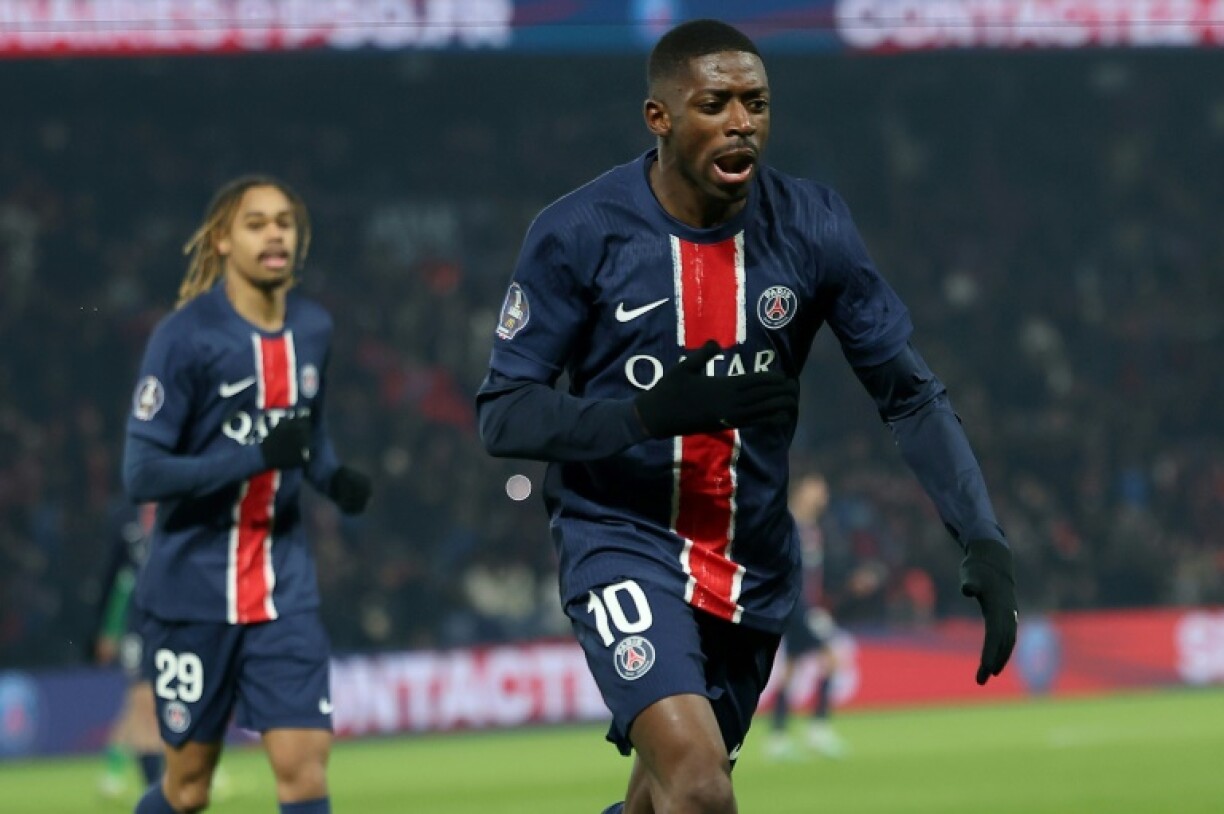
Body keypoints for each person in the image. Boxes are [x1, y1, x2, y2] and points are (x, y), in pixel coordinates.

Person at [476, 18, 1018, 814]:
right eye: (716, 103)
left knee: (660, 804)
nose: (741, 121)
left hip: (753, 567)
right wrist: (646, 414)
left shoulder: (812, 226)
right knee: (700, 788)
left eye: (756, 103)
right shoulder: (578, 232)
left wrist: (981, 536)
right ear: (659, 118)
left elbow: (908, 392)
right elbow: (504, 415)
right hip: (622, 539)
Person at [122, 175, 372, 814]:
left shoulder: (313, 328)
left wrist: (333, 478)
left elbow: (307, 434)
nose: (274, 233)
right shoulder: (185, 337)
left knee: (304, 772)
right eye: (256, 222)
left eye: (284, 221)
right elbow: (142, 473)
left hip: (283, 590)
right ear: (223, 241)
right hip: (194, 591)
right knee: (188, 788)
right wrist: (252, 458)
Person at [765, 471, 847, 761]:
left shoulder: (813, 528)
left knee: (790, 669)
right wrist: (808, 611)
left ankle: (777, 735)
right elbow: (786, 575)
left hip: (804, 606)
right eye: (817, 488)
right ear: (801, 491)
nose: (823, 495)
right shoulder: (788, 526)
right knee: (833, 658)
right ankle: (818, 728)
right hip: (796, 607)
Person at [94, 501, 164, 799]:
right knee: (142, 704)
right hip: (137, 629)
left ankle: (175, 775)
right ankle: (153, 787)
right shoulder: (125, 519)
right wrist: (110, 630)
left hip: (171, 625)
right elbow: (120, 579)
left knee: (150, 706)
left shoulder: (178, 508)